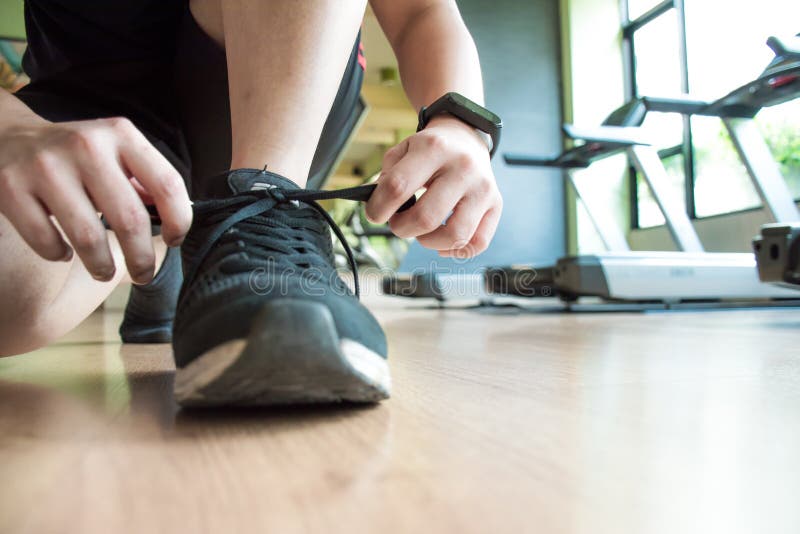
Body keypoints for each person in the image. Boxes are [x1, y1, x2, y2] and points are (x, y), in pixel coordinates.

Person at [0, 0, 503, 406]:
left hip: (272, 90)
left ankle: (265, 216)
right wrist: (10, 129)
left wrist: (461, 124)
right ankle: (159, 248)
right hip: (81, 123)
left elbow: (421, 12)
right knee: (10, 293)